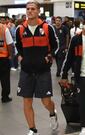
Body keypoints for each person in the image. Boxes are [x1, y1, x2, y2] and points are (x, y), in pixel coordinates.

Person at [15, 1, 59, 134]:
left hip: (43, 71)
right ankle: (32, 129)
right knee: (27, 101)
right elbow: (18, 46)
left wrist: (49, 56)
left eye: (33, 9)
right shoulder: (20, 29)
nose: (30, 11)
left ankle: (52, 112)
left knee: (46, 102)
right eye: (28, 9)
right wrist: (20, 57)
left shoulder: (47, 28)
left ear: (38, 11)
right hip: (26, 71)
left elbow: (55, 45)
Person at [0, 22, 13, 103]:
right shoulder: (4, 28)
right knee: (5, 78)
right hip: (3, 58)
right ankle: (5, 97)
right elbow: (9, 44)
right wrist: (10, 55)